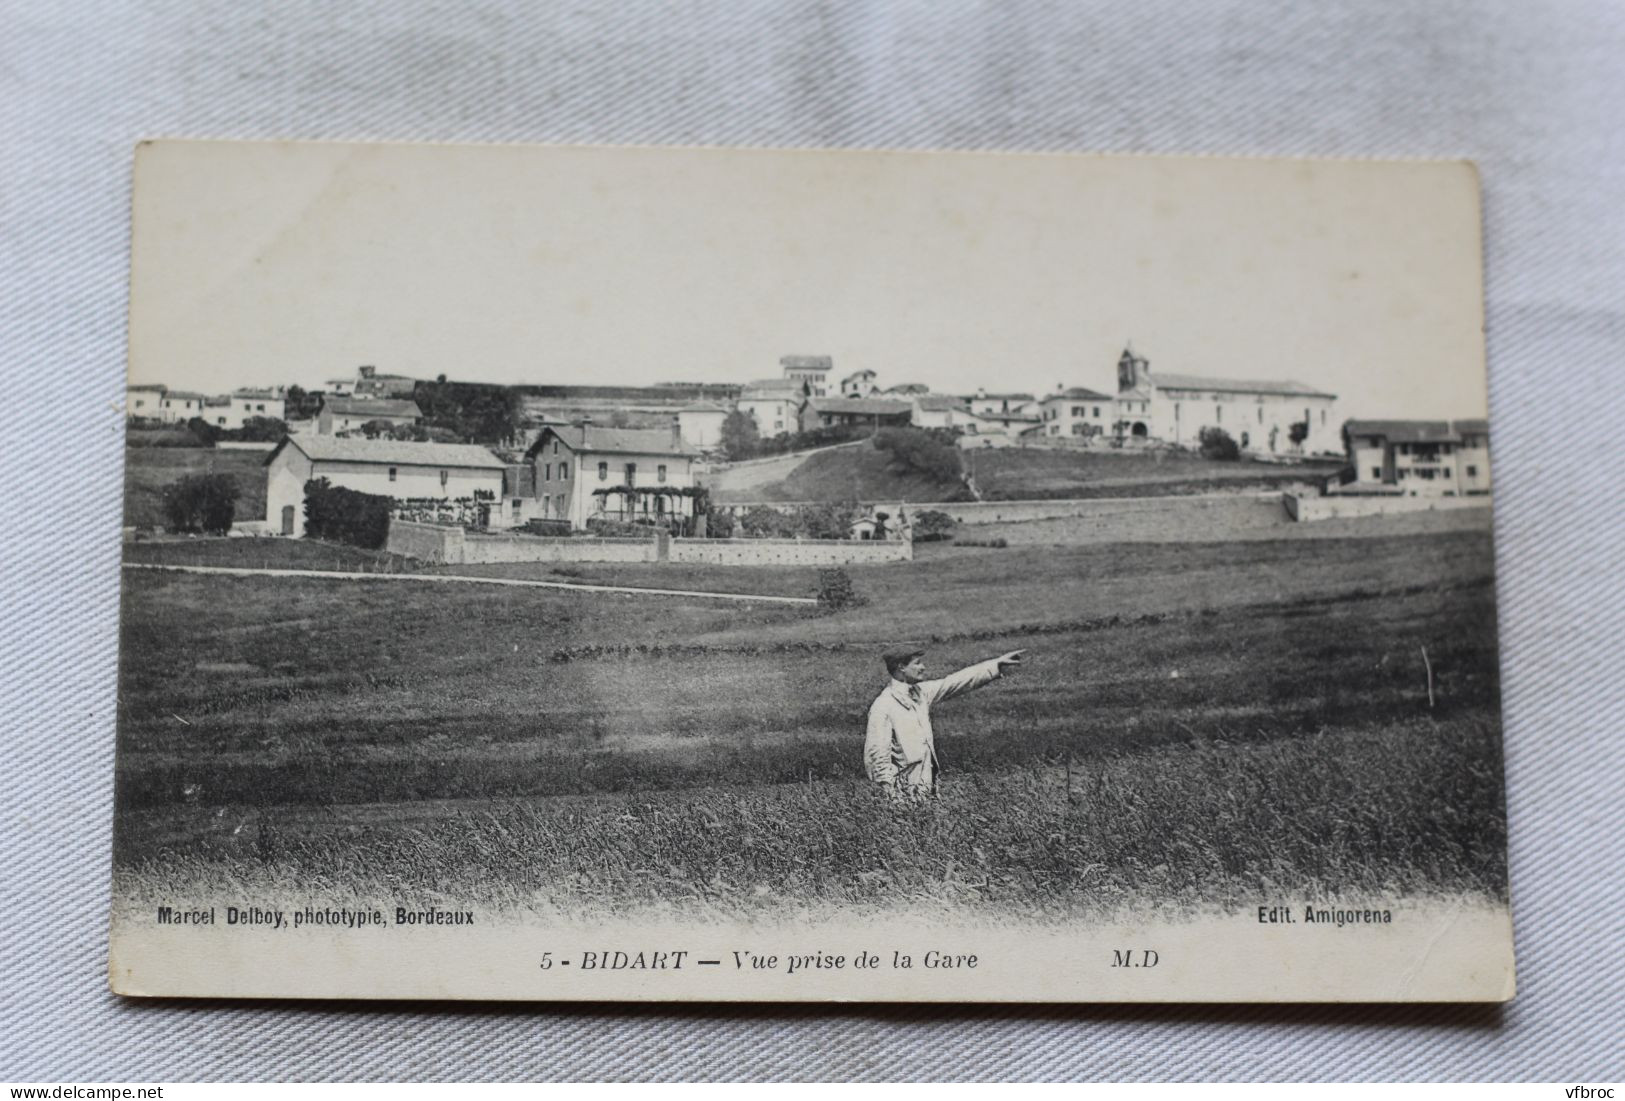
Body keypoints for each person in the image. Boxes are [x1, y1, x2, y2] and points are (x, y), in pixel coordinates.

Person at [864, 647, 1026, 800]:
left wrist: (995, 665)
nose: (923, 667)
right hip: (902, 794)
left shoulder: (920, 692)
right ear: (901, 667)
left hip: (928, 789)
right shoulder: (883, 706)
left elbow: (954, 682)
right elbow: (877, 756)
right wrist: (891, 797)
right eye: (917, 663)